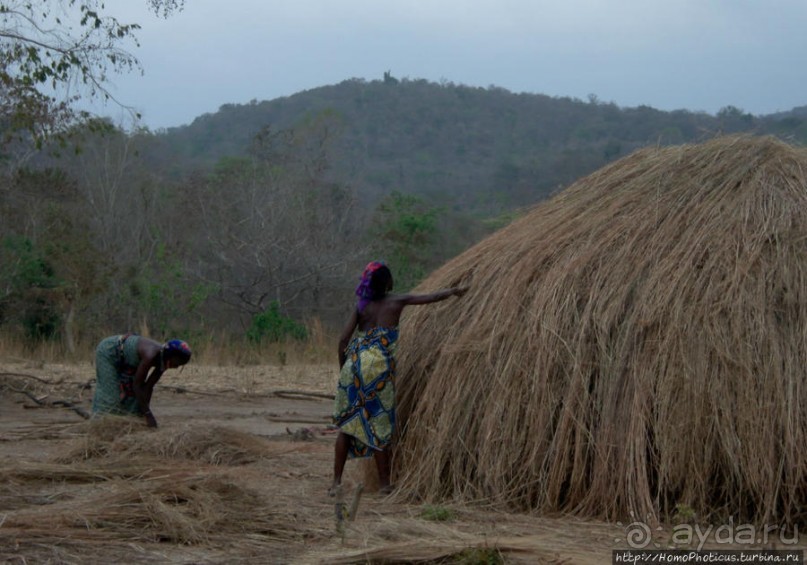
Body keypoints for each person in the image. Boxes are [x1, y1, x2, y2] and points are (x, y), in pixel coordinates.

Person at [331, 261, 468, 495]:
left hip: (354, 367)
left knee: (347, 426)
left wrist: (345, 371)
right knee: (379, 424)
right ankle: (385, 484)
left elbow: (343, 340)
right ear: (387, 282)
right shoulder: (396, 301)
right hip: (378, 369)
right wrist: (454, 292)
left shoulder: (361, 307)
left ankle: (335, 483)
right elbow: (431, 297)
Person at [92, 334, 192, 427]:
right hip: (108, 353)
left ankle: (129, 423)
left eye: (179, 365)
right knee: (112, 397)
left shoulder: (164, 360)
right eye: (176, 363)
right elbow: (137, 386)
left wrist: (143, 414)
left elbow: (148, 387)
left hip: (126, 360)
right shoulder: (150, 354)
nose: (176, 367)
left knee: (131, 396)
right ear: (170, 356)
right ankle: (100, 422)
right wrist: (148, 415)